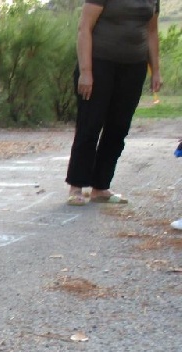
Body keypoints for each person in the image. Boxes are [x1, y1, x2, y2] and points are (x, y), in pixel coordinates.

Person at [65, 0, 162, 206]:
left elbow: (151, 32)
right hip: (99, 64)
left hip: (134, 67)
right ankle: (76, 186)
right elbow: (84, 28)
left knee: (118, 128)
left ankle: (101, 187)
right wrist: (86, 72)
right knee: (90, 125)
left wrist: (156, 70)